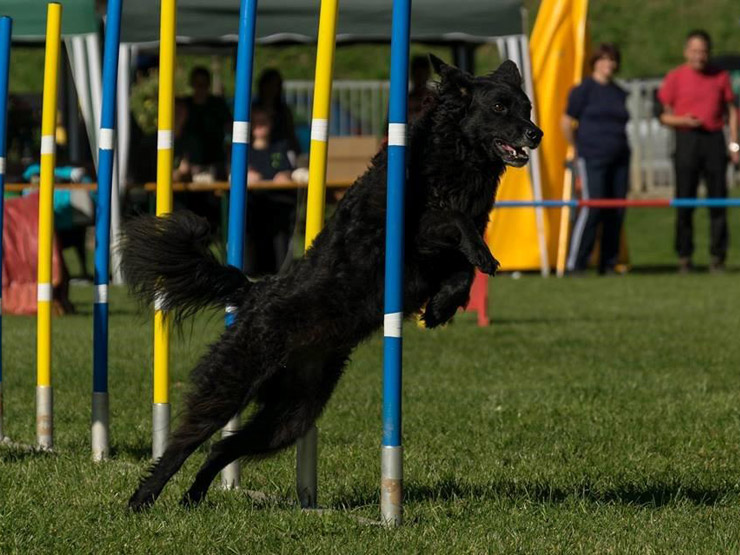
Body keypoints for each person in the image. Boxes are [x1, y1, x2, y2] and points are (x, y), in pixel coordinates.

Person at [657, 30, 739, 273]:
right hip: (687, 140)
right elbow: (662, 115)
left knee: (718, 201)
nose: (699, 56)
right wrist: (682, 120)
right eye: (694, 51)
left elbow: (732, 111)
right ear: (686, 52)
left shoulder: (720, 76)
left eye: (703, 51)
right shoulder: (675, 77)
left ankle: (718, 257)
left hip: (714, 141)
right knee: (685, 201)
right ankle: (684, 256)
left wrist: (734, 144)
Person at [562, 43, 631, 275]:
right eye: (604, 59)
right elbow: (566, 122)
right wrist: (576, 148)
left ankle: (608, 263)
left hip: (620, 158)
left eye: (612, 59)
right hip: (592, 157)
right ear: (595, 63)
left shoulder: (619, 92)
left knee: (616, 210)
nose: (608, 64)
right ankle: (577, 263)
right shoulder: (583, 90)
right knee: (592, 208)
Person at [244, 106, 296, 276]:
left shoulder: (280, 147)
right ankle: (251, 270)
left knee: (279, 221)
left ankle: (281, 270)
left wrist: (285, 175)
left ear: (271, 124)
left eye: (263, 122)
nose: (259, 126)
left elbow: (289, 171)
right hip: (253, 204)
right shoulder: (243, 151)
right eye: (255, 122)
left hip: (278, 203)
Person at [253, 68, 300, 158]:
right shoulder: (253, 109)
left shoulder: (284, 111)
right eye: (268, 85)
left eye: (275, 85)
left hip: (280, 152)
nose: (271, 89)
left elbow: (291, 134)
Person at [408, 55, 432, 123]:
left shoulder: (435, 99)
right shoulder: (403, 101)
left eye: (422, 75)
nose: (420, 79)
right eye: (418, 75)